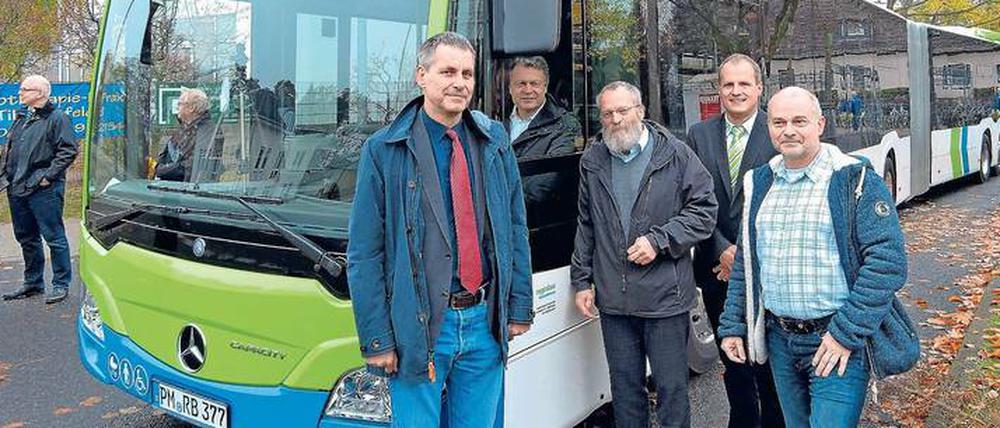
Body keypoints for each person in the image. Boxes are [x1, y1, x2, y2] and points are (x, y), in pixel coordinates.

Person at [346, 31, 533, 427]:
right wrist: (377, 337)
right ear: (421, 76)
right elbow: (365, 252)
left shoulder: (494, 141)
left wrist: (518, 306)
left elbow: (514, 228)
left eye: (467, 73)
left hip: (484, 322)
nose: (459, 82)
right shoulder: (384, 150)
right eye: (447, 71)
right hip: (421, 328)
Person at [717, 87, 907, 428]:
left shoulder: (855, 180)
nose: (788, 129)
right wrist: (733, 325)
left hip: (835, 340)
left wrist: (844, 334)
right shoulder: (760, 183)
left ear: (820, 124)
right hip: (779, 341)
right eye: (778, 122)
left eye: (799, 121)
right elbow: (747, 263)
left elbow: (887, 263)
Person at [571, 81, 717, 428]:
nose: (616, 119)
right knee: (625, 391)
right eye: (607, 113)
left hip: (665, 299)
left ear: (640, 111)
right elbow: (586, 224)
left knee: (671, 390)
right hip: (614, 303)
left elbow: (704, 211)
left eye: (623, 110)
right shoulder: (593, 160)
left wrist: (659, 241)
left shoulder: (675, 154)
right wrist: (581, 280)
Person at [684, 54, 783, 428]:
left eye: (744, 84)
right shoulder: (699, 135)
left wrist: (744, 254)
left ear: (759, 88)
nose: (736, 91)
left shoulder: (777, 132)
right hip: (715, 265)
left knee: (769, 360)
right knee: (733, 357)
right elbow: (692, 199)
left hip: (768, 268)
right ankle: (742, 420)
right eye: (729, 84)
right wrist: (722, 248)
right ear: (719, 89)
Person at [1, 75, 78, 304]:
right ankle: (33, 283)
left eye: (25, 89)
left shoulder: (58, 118)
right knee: (26, 237)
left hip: (43, 190)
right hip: (17, 187)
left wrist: (46, 177)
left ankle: (61, 284)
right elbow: (12, 149)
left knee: (54, 237)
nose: (20, 93)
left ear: (40, 93)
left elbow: (68, 150)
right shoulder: (22, 117)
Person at [504, 55, 581, 217]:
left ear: (545, 87)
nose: (527, 90)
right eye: (521, 84)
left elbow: (544, 185)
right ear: (510, 88)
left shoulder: (565, 125)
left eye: (535, 84)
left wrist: (496, 204)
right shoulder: (494, 124)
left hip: (539, 225)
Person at [154, 88, 223, 182]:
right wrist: (160, 168)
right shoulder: (182, 129)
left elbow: (193, 166)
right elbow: (164, 156)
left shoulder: (208, 131)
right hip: (171, 187)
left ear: (191, 108)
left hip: (191, 190)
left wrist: (165, 170)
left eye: (180, 104)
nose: (177, 107)